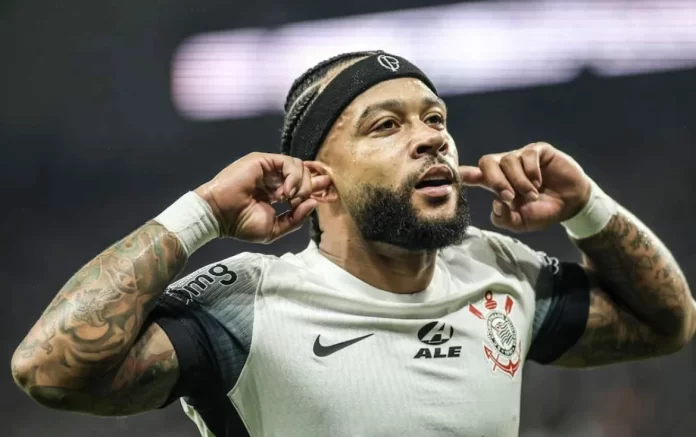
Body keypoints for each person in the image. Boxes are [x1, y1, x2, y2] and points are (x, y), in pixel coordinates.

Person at [11, 51, 695, 437]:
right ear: (319, 176)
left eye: (435, 118)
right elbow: (47, 370)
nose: (430, 138)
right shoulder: (247, 304)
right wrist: (204, 213)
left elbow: (668, 323)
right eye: (386, 126)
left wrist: (588, 208)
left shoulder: (499, 270)